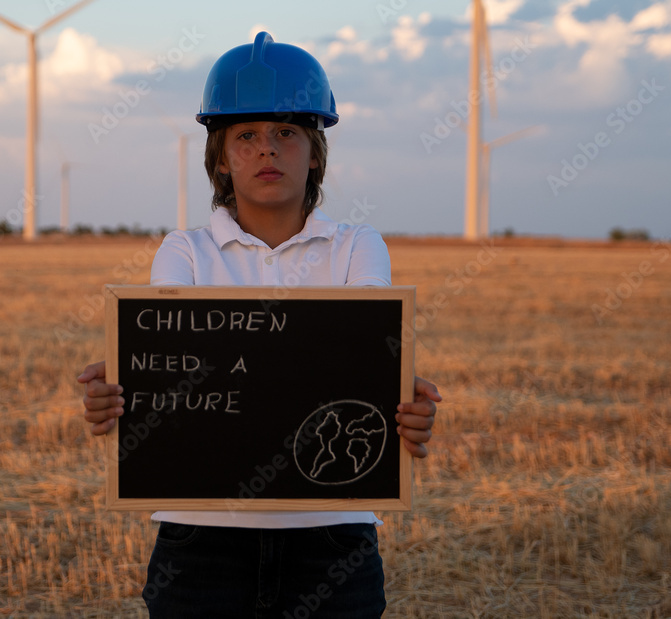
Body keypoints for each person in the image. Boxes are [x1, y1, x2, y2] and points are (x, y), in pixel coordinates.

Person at [78, 31, 442, 618]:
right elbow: (167, 368)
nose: (266, 149)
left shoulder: (357, 247)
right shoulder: (184, 251)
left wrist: (400, 396)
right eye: (246, 136)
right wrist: (121, 396)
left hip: (332, 530)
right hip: (200, 535)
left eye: (286, 133)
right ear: (220, 158)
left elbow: (366, 352)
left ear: (316, 152)